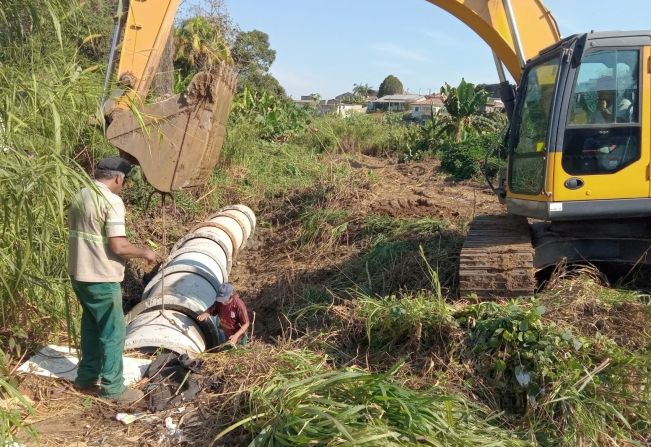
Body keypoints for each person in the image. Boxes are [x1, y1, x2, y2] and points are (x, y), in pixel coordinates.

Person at [68, 156, 157, 403]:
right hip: (101, 277)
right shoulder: (111, 201)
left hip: (79, 274)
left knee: (91, 326)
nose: (123, 186)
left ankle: (86, 378)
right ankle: (113, 388)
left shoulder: (81, 194)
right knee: (113, 332)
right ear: (118, 178)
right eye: (124, 181)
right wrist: (144, 252)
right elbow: (118, 245)